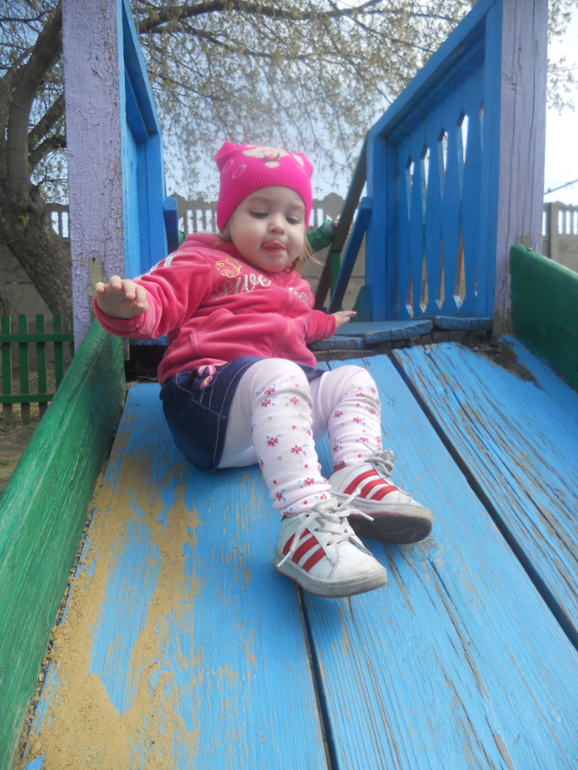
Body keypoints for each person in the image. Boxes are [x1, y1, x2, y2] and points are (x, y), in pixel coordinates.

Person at [94, 142, 433, 599]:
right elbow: (161, 298)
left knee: (354, 379)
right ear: (228, 220)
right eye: (259, 212)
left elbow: (304, 324)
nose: (278, 225)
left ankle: (354, 475)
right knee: (281, 374)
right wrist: (129, 306)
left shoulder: (293, 286)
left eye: (293, 218)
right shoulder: (204, 259)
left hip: (271, 419)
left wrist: (330, 322)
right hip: (208, 407)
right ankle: (304, 522)